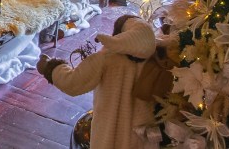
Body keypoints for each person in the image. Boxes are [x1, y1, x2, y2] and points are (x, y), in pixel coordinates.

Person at [37, 15, 159, 149]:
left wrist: (50, 67)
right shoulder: (157, 57)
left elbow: (73, 83)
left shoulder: (108, 57)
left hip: (109, 134)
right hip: (142, 134)